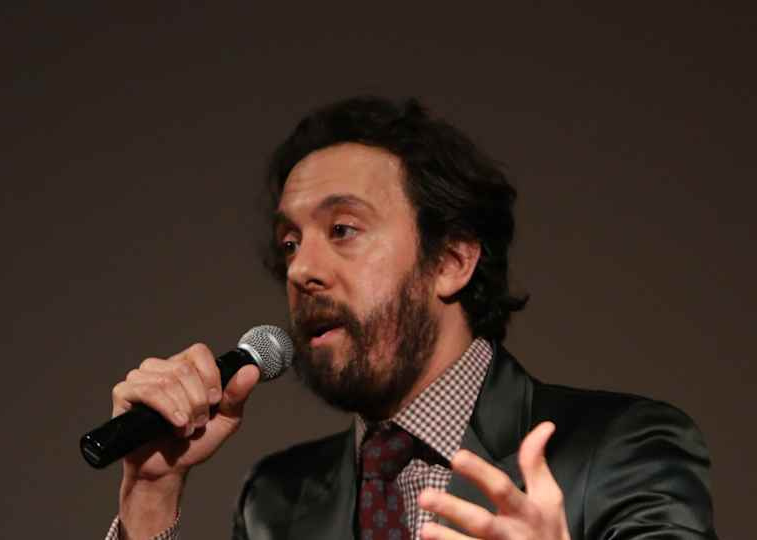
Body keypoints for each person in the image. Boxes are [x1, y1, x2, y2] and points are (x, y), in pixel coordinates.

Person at [105, 97, 717, 540]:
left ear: (451, 261)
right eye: (290, 243)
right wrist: (151, 496)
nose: (300, 269)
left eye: (343, 229)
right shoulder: (275, 502)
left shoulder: (624, 449)